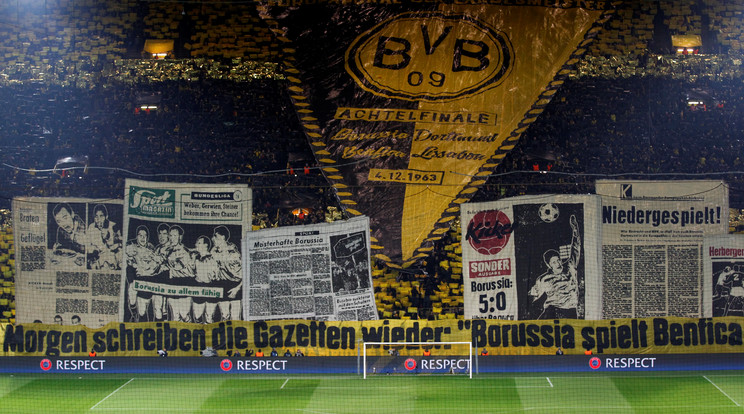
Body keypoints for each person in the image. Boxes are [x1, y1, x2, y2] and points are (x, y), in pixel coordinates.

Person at [529, 215, 581, 319]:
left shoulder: (570, 268)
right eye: (554, 262)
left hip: (570, 312)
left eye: (558, 260)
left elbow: (575, 249)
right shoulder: (544, 279)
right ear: (549, 265)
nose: (558, 263)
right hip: (553, 311)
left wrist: (575, 231)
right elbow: (532, 298)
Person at [211, 226, 242, 320]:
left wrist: (237, 289)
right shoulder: (214, 251)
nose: (213, 239)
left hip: (235, 286)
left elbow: (245, 274)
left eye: (215, 236)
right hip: (222, 286)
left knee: (235, 317)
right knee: (225, 316)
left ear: (223, 237)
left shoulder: (234, 254)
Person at [87, 204, 122, 270]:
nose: (98, 220)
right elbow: (87, 244)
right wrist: (94, 249)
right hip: (98, 258)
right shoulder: (91, 227)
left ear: (106, 216)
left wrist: (107, 237)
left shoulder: (114, 226)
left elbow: (118, 245)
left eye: (101, 216)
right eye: (96, 216)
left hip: (112, 258)